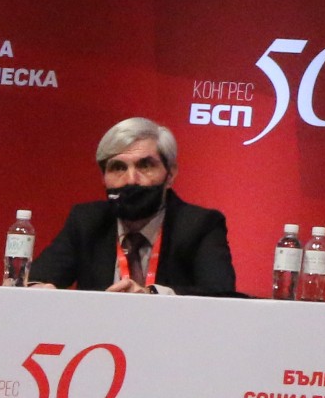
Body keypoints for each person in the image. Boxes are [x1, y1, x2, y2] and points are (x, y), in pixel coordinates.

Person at [26, 117, 235, 295]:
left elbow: (222, 295)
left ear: (170, 175)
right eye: (118, 168)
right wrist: (37, 288)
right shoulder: (87, 221)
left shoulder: (200, 225)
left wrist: (152, 295)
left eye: (145, 165)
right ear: (103, 178)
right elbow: (38, 279)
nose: (131, 180)